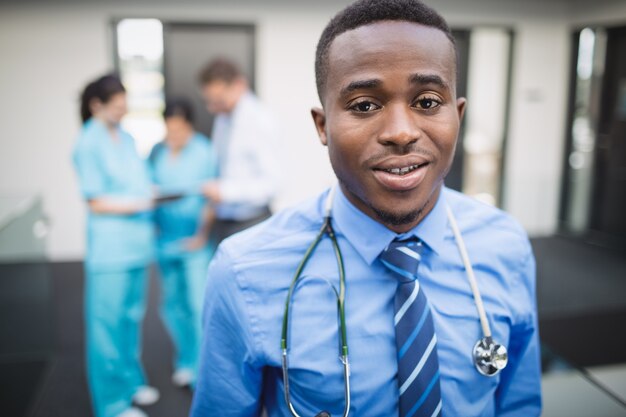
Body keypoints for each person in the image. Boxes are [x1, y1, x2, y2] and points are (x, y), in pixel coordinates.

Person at [190, 0, 542, 416]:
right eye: (364, 105)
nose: (400, 133)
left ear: (457, 115)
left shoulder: (505, 245)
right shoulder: (246, 271)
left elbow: (519, 403)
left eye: (427, 102)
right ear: (323, 126)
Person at [73, 74, 159, 417]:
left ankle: (130, 383)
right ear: (97, 105)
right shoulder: (87, 142)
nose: (123, 110)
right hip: (110, 250)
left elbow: (139, 183)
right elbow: (95, 201)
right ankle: (111, 403)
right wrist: (138, 203)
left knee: (130, 319)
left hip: (137, 245)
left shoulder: (125, 137)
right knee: (106, 325)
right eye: (118, 104)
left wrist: (152, 194)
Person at [149, 97, 217, 387]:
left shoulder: (204, 151)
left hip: (194, 242)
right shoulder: (157, 151)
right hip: (165, 240)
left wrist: (201, 236)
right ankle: (186, 359)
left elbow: (211, 197)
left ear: (189, 125)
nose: (173, 135)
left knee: (197, 305)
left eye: (178, 129)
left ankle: (203, 369)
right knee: (172, 304)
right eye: (169, 129)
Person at [199, 58, 280, 243]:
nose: (212, 108)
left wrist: (226, 191)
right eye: (209, 101)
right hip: (223, 222)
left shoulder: (261, 121)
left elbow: (273, 184)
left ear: (239, 85)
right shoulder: (224, 118)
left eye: (218, 101)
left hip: (252, 223)